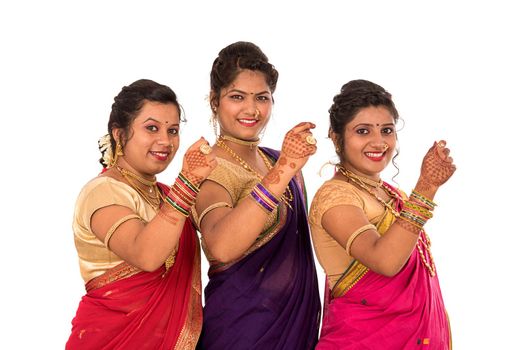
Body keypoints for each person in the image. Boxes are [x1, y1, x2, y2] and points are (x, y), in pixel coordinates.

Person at [66, 79, 217, 349]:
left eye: (173, 130)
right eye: (151, 128)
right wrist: (189, 181)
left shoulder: (167, 196)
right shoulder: (103, 192)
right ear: (119, 134)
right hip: (111, 340)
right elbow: (146, 255)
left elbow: (221, 238)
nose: (166, 141)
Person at [309, 79, 456, 349]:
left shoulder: (392, 195)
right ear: (336, 136)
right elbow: (385, 261)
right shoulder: (336, 196)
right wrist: (426, 187)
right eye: (363, 131)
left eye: (387, 130)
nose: (378, 142)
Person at [192, 41, 321, 349]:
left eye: (262, 98)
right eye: (237, 97)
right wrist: (286, 169)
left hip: (297, 329)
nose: (251, 110)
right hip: (241, 332)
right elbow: (221, 246)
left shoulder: (278, 160)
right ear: (214, 101)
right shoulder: (207, 167)